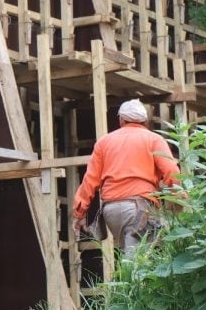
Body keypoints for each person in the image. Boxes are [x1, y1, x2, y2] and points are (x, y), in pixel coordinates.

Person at [72, 98, 182, 253]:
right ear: (144, 120)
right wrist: (182, 201)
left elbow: (90, 180)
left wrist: (79, 212)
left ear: (121, 119)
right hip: (139, 209)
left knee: (132, 255)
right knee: (137, 264)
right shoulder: (154, 140)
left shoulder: (104, 142)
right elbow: (172, 173)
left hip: (111, 211)